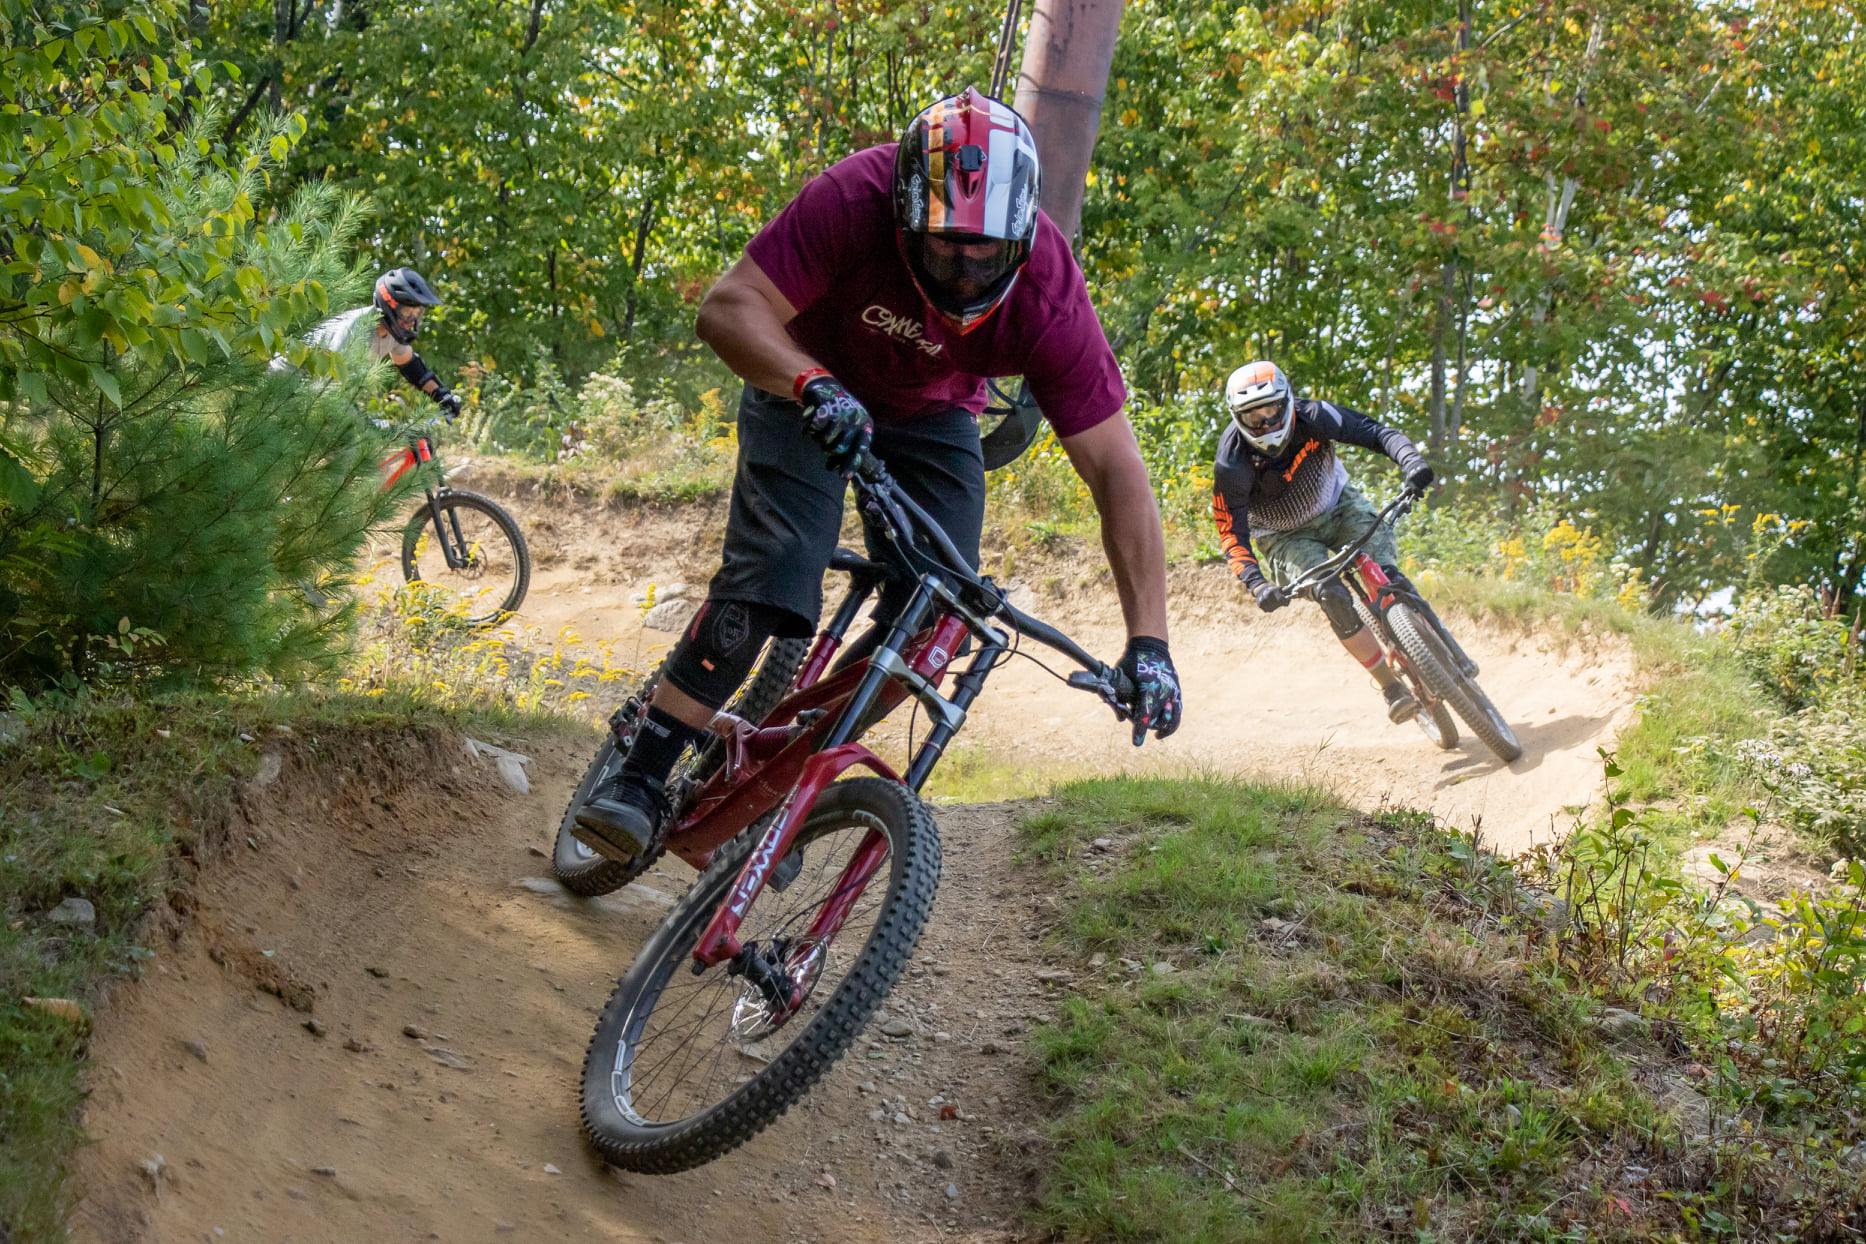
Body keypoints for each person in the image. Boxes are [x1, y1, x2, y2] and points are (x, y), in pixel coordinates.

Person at [572, 86, 1183, 864]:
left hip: (931, 416)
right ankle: (641, 771)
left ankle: (774, 769)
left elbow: (1116, 470)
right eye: (941, 249)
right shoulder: (853, 196)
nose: (963, 273)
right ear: (900, 216)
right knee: (779, 574)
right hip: (803, 379)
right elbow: (729, 308)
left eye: (984, 253)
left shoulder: (1050, 294)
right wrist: (808, 383)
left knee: (938, 622)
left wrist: (1151, 643)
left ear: (1022, 239)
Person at [1211, 360, 1476, 724]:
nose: (1266, 423)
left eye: (1271, 409)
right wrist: (1257, 584)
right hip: (1285, 536)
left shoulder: (1315, 415)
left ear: (1287, 401)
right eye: (1253, 416)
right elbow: (1231, 533)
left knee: (1388, 574)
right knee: (1331, 595)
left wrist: (1412, 462)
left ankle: (1442, 645)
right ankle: (1390, 687)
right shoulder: (1231, 463)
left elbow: (1377, 432)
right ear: (1237, 417)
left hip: (1338, 504)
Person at [308, 268, 461, 421]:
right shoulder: (354, 333)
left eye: (417, 315)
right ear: (389, 307)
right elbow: (326, 393)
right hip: (292, 398)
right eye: (407, 313)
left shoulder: (391, 329)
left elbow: (411, 366)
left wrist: (442, 395)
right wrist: (365, 424)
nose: (411, 322)